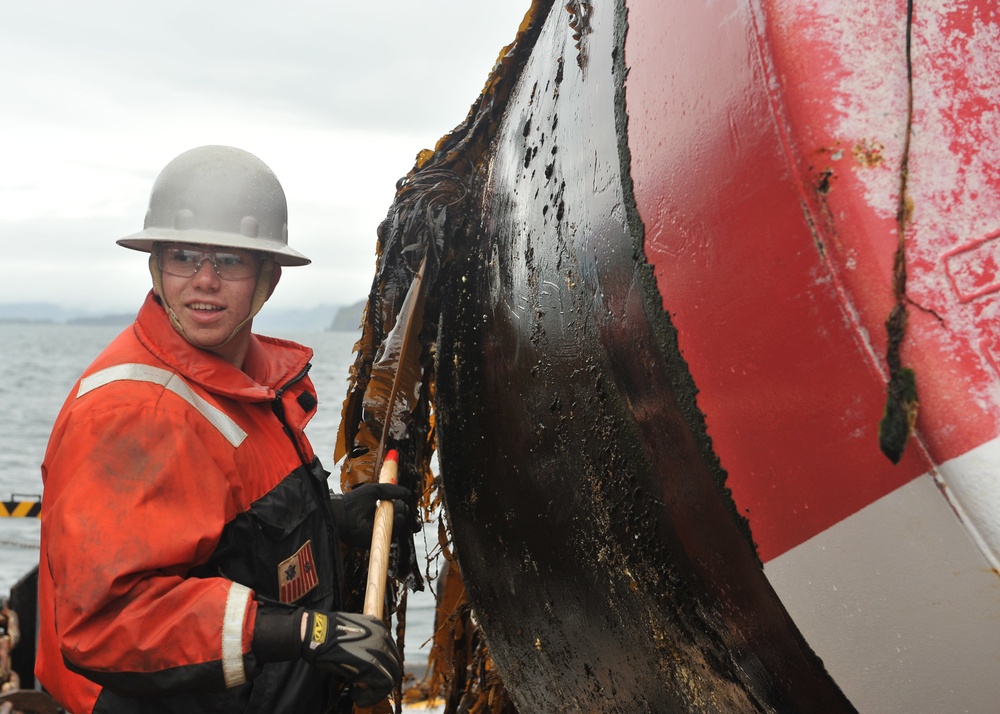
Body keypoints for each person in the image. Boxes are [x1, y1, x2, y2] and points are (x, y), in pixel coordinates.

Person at [36, 145, 408, 714]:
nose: (205, 281)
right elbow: (110, 622)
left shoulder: (250, 385)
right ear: (155, 265)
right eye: (185, 256)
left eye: (230, 261)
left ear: (269, 279)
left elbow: (228, 533)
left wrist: (328, 520)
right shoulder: (131, 411)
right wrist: (309, 634)